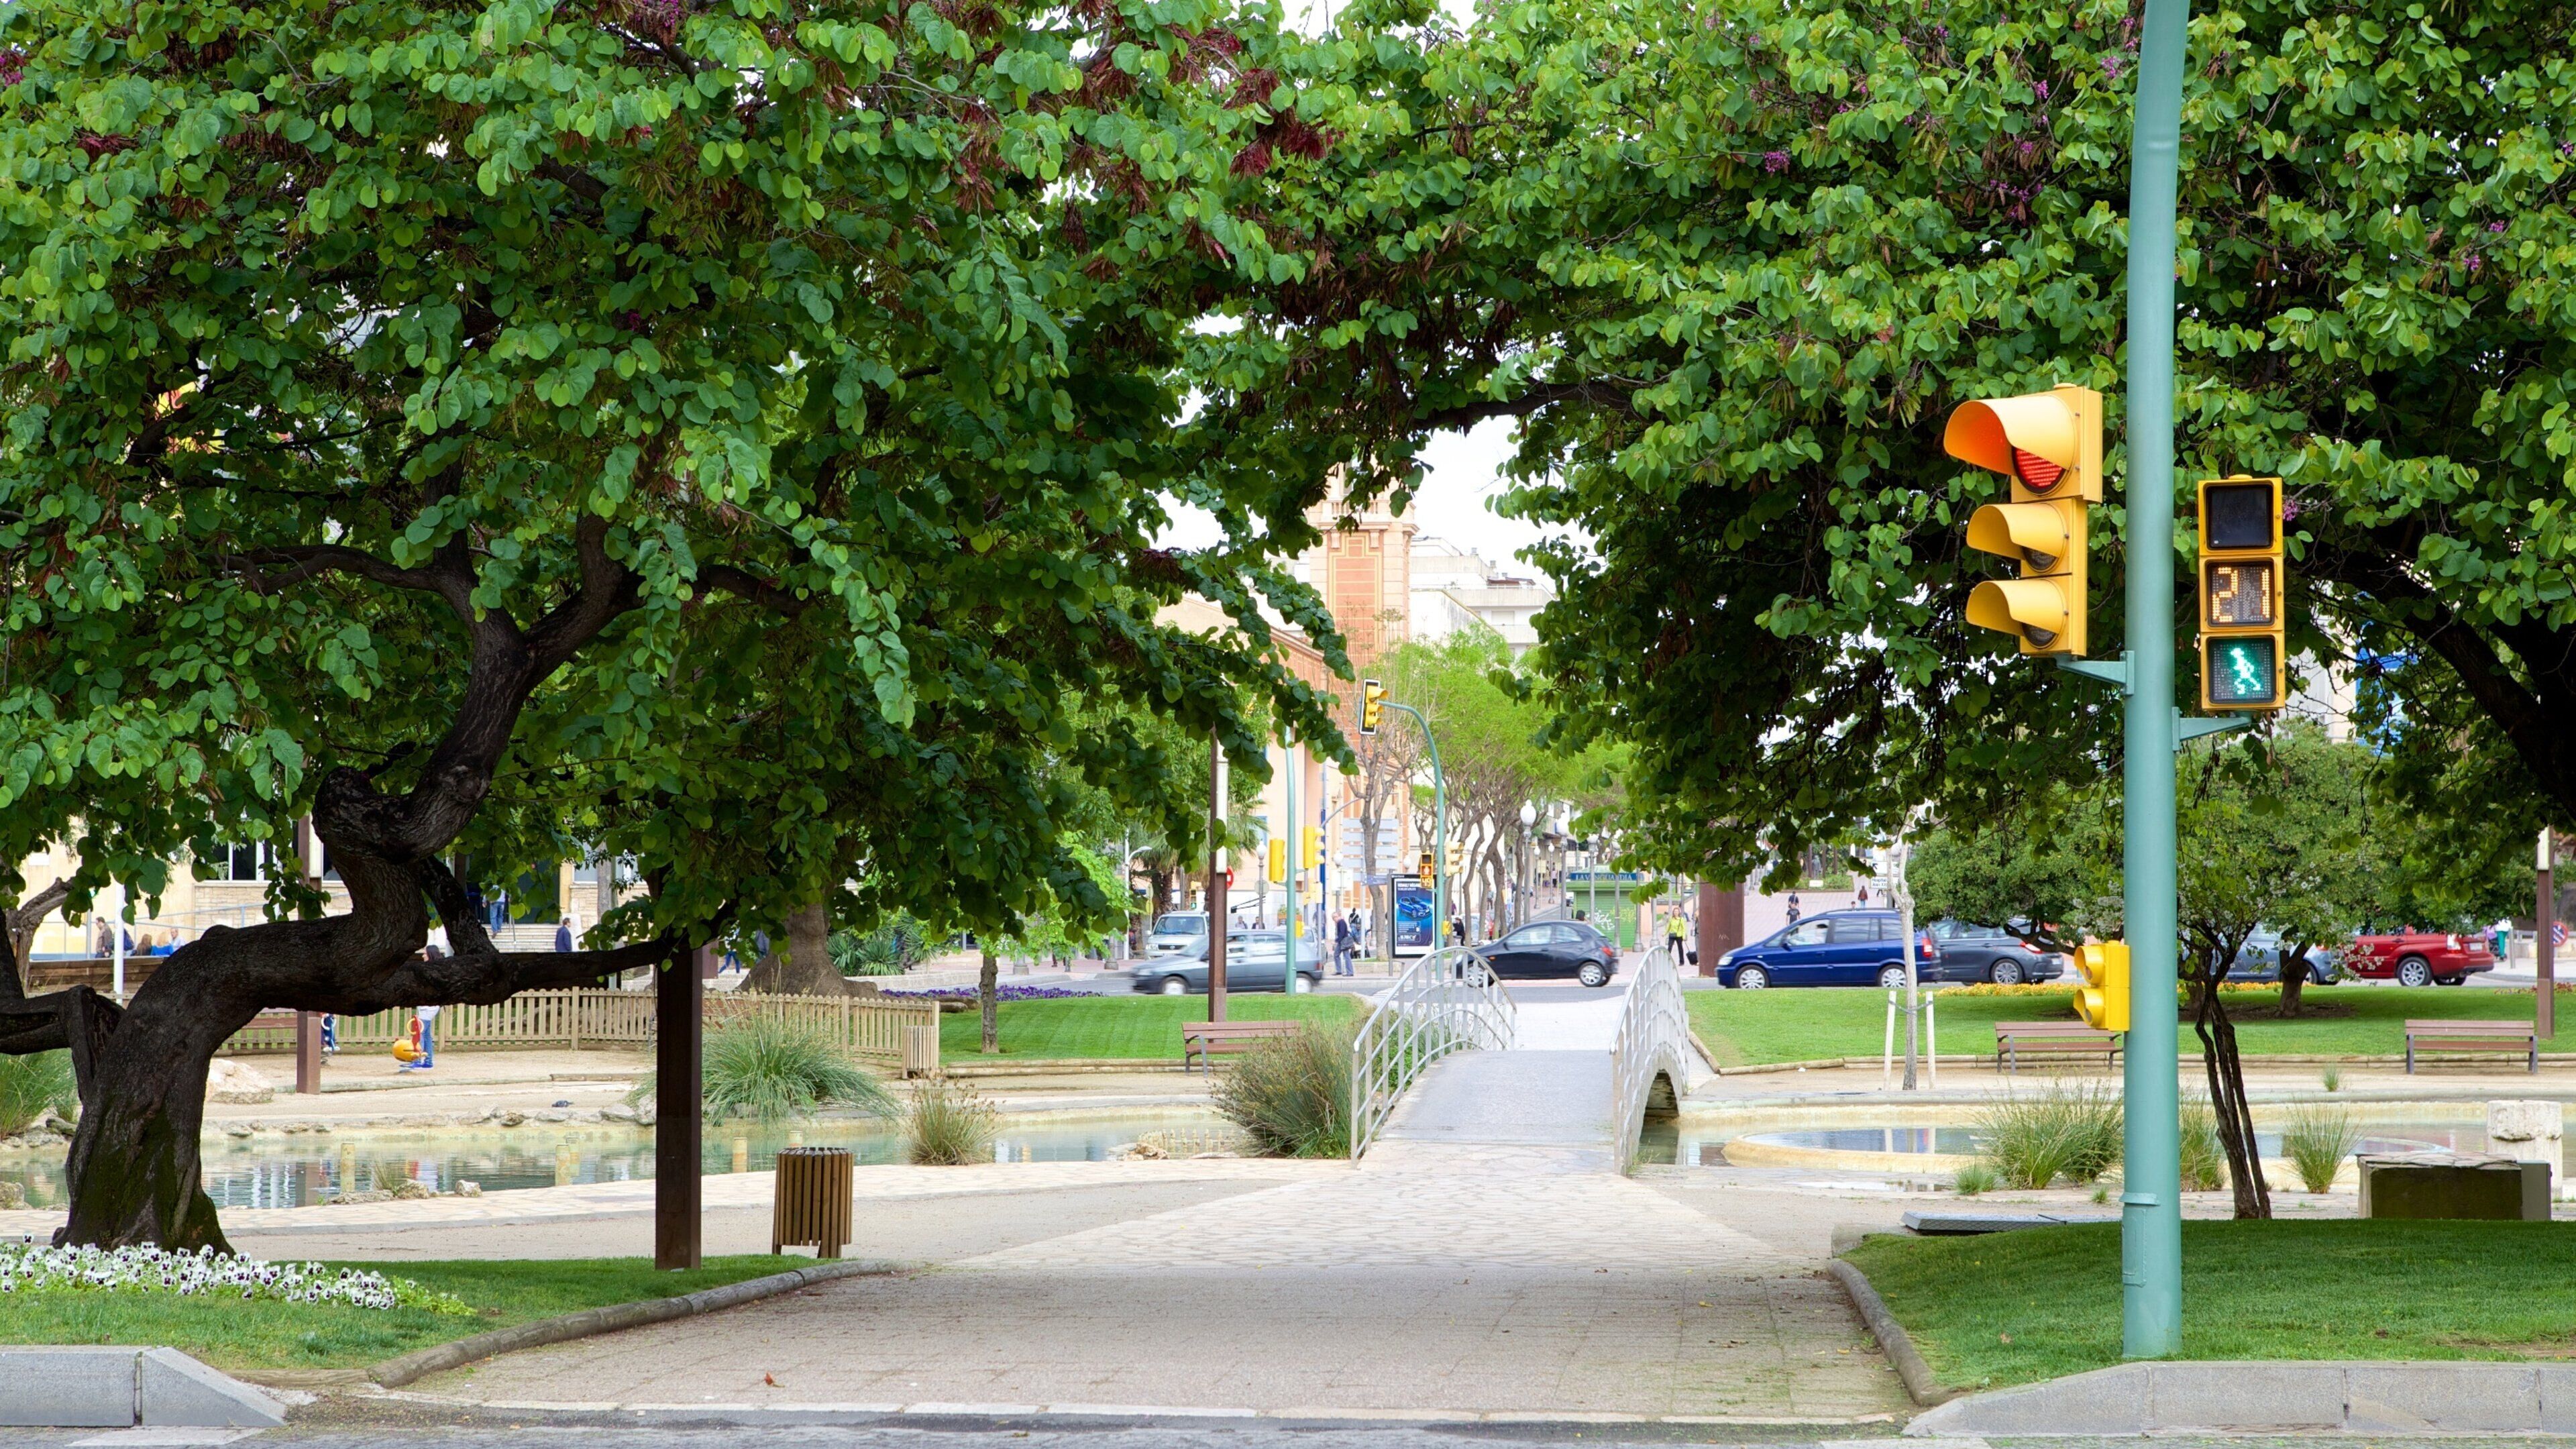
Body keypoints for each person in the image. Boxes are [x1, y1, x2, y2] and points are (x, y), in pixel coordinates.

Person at [401, 1002, 440, 1071]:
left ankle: (417, 1060)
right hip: (429, 1009)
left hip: (426, 1010)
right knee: (427, 1036)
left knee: (420, 1035)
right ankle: (428, 1062)